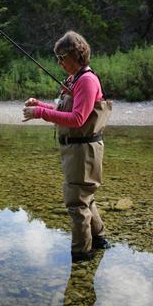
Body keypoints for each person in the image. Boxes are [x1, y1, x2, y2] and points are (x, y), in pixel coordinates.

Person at [23, 30, 112, 263]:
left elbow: (78, 119)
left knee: (76, 203)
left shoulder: (87, 80)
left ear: (76, 54)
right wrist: (39, 104)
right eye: (57, 58)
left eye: (62, 57)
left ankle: (82, 254)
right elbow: (65, 111)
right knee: (84, 197)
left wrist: (39, 113)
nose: (59, 63)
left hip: (84, 151)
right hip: (76, 150)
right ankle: (99, 238)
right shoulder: (75, 79)